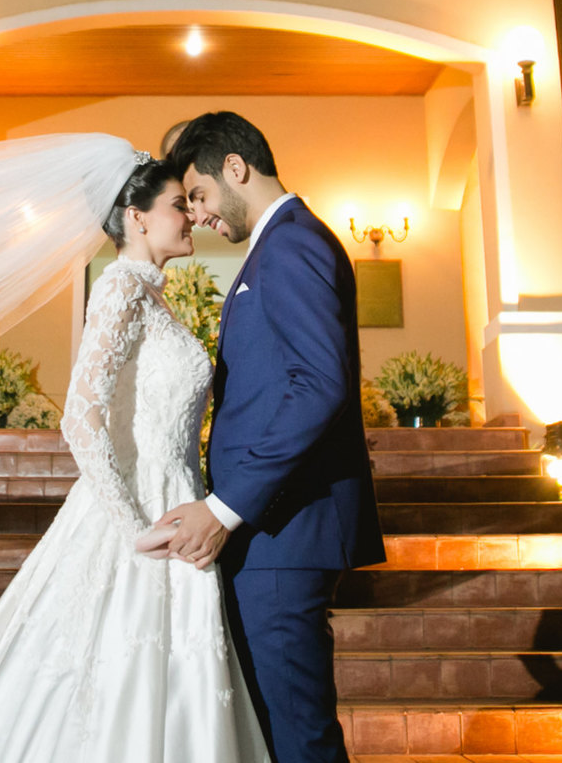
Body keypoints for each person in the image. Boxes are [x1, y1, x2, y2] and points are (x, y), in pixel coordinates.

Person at [0, 155, 271, 763]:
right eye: (179, 205)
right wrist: (132, 529)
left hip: (178, 497)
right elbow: (80, 414)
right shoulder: (122, 286)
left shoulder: (152, 297)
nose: (192, 216)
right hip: (141, 510)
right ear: (137, 218)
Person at [155, 112, 384, 763]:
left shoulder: (291, 243)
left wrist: (226, 507)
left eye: (197, 194)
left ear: (236, 167)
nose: (196, 213)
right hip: (277, 530)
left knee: (298, 732)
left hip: (286, 531)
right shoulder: (279, 243)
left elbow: (319, 385)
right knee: (277, 724)